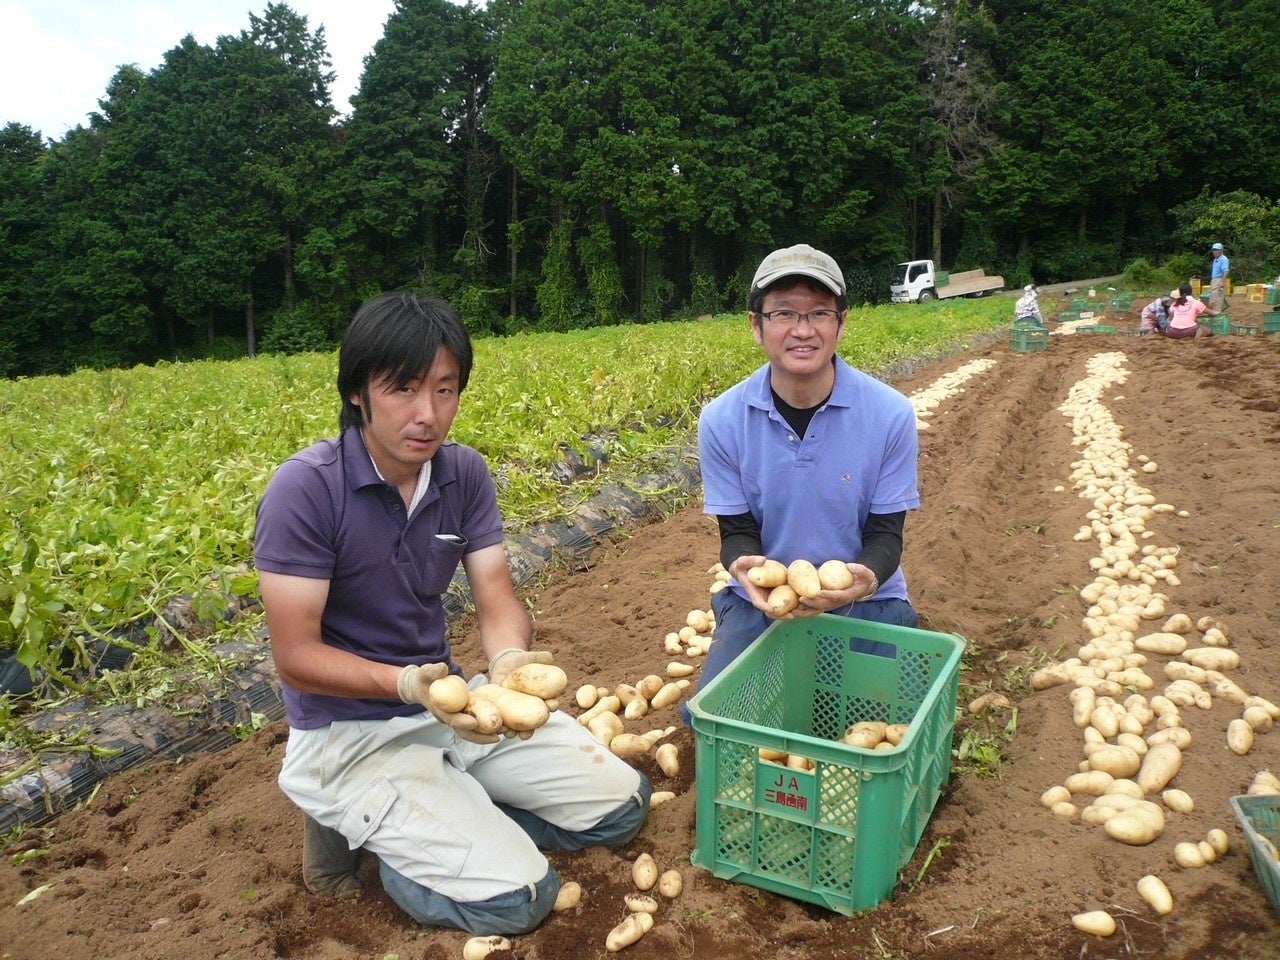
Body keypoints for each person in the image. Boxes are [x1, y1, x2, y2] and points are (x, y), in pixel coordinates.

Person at [253, 293, 650, 935]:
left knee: (623, 806)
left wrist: (510, 660)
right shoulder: (306, 490)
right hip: (350, 733)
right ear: (358, 391)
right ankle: (382, 845)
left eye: (445, 390)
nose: (427, 414)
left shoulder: (462, 474)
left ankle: (454, 819)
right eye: (404, 390)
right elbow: (296, 658)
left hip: (455, 709)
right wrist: (406, 683)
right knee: (520, 900)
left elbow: (495, 597)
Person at [688, 243, 921, 710]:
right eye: (783, 314)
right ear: (756, 325)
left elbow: (885, 535)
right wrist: (743, 569)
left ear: (841, 323)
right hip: (767, 603)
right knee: (715, 719)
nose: (803, 330)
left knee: (879, 722)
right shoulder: (722, 419)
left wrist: (864, 580)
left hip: (865, 600)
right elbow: (737, 533)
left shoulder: (891, 414)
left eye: (819, 313)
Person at [1206, 242, 1230, 314]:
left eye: (1217, 250)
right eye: (1214, 250)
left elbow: (1226, 271)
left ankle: (1216, 314)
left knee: (1216, 299)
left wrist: (1222, 282)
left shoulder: (1223, 259)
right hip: (1214, 280)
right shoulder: (1216, 259)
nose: (1215, 252)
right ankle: (1214, 312)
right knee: (1213, 298)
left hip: (1219, 280)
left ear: (1221, 250)